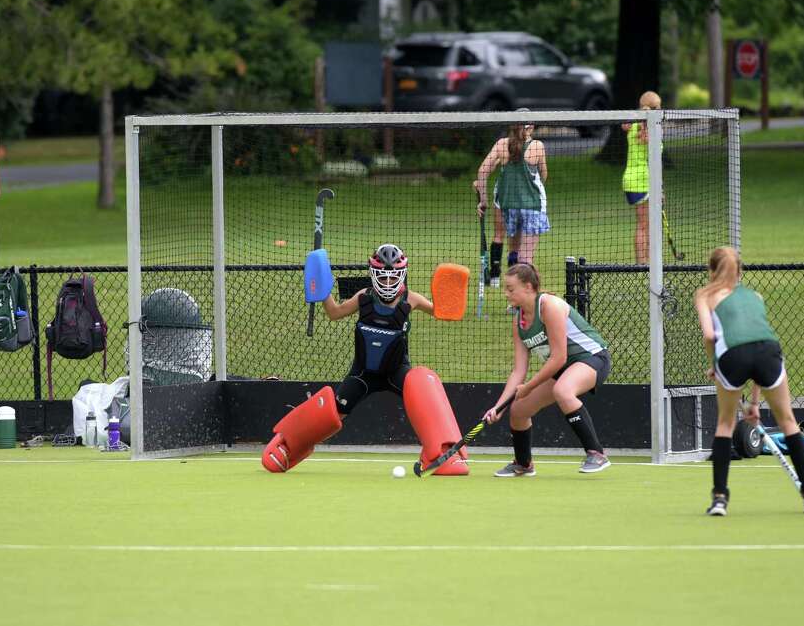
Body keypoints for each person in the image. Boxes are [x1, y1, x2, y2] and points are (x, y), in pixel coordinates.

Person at [261, 244, 470, 475]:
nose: (388, 283)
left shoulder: (412, 299)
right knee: (333, 412)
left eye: (393, 278)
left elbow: (443, 313)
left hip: (397, 373)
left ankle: (444, 453)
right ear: (373, 274)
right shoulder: (364, 297)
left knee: (421, 385)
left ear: (402, 275)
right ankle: (287, 445)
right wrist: (322, 290)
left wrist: (451, 297)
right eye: (383, 277)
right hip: (362, 375)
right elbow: (334, 313)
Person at [694, 246, 804, 515]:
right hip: (768, 351)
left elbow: (710, 336)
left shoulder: (704, 294)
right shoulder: (755, 296)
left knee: (725, 423)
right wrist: (756, 404)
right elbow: (756, 340)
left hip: (733, 356)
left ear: (711, 271)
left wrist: (715, 364)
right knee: (788, 421)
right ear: (740, 271)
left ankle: (720, 498)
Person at [483, 263, 612, 475]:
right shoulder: (519, 321)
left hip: (593, 359)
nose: (506, 293)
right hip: (562, 369)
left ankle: (596, 453)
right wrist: (498, 408)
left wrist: (529, 387)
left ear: (528, 287)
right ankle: (523, 464)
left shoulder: (549, 306)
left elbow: (559, 357)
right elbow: (518, 372)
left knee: (562, 390)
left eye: (510, 288)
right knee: (519, 409)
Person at [474, 120, 548, 272]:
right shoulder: (537, 146)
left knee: (512, 247)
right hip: (532, 205)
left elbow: (482, 171)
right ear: (531, 127)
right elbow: (544, 175)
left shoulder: (501, 144)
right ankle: (523, 286)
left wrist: (483, 201)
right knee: (526, 258)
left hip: (509, 206)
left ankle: (506, 279)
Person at [622, 91, 661, 264]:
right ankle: (645, 262)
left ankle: (645, 261)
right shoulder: (650, 128)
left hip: (632, 179)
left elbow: (625, 124)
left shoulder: (633, 124)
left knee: (644, 224)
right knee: (647, 225)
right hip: (642, 179)